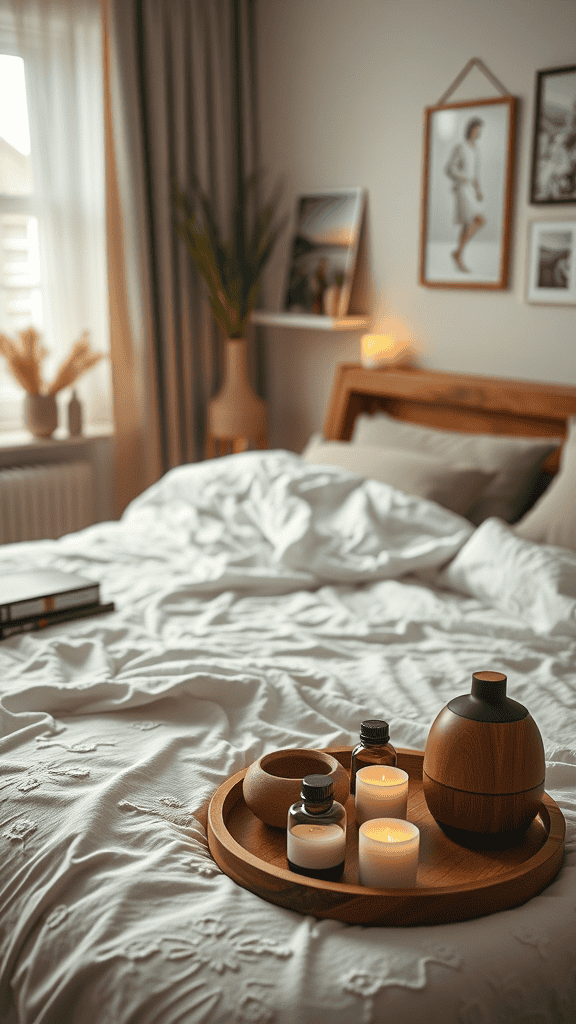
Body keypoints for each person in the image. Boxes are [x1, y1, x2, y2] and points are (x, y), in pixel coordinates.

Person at [445, 117, 485, 272]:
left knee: (474, 222)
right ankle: (459, 255)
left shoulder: (476, 149)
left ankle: (458, 253)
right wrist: (463, 178)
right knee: (472, 221)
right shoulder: (460, 147)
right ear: (470, 129)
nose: (477, 133)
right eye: (476, 130)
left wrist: (478, 190)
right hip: (461, 189)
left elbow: (475, 174)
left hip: (471, 189)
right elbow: (450, 168)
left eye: (479, 131)